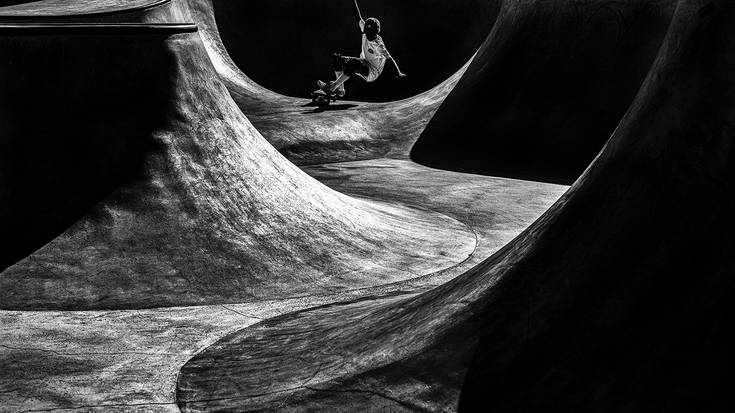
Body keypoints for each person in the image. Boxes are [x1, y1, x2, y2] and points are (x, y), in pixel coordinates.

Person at [318, 0, 407, 97]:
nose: (368, 36)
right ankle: (340, 90)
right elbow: (358, 16)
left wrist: (398, 72)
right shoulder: (364, 28)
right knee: (336, 59)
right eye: (367, 34)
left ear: (376, 33)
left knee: (353, 64)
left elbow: (390, 59)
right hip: (363, 62)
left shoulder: (378, 45)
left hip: (372, 72)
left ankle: (331, 88)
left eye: (371, 35)